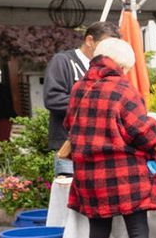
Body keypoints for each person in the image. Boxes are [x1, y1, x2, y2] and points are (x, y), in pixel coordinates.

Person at [66, 37, 156, 238]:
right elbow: (144, 134)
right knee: (138, 231)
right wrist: (153, 124)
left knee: (97, 235)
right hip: (124, 172)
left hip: (88, 173)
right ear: (121, 65)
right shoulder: (123, 88)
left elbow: (70, 126)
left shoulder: (79, 88)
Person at [45, 21, 117, 167]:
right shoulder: (63, 61)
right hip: (68, 146)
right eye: (105, 44)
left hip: (98, 146)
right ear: (90, 40)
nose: (108, 50)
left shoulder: (108, 69)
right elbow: (53, 99)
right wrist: (94, 103)